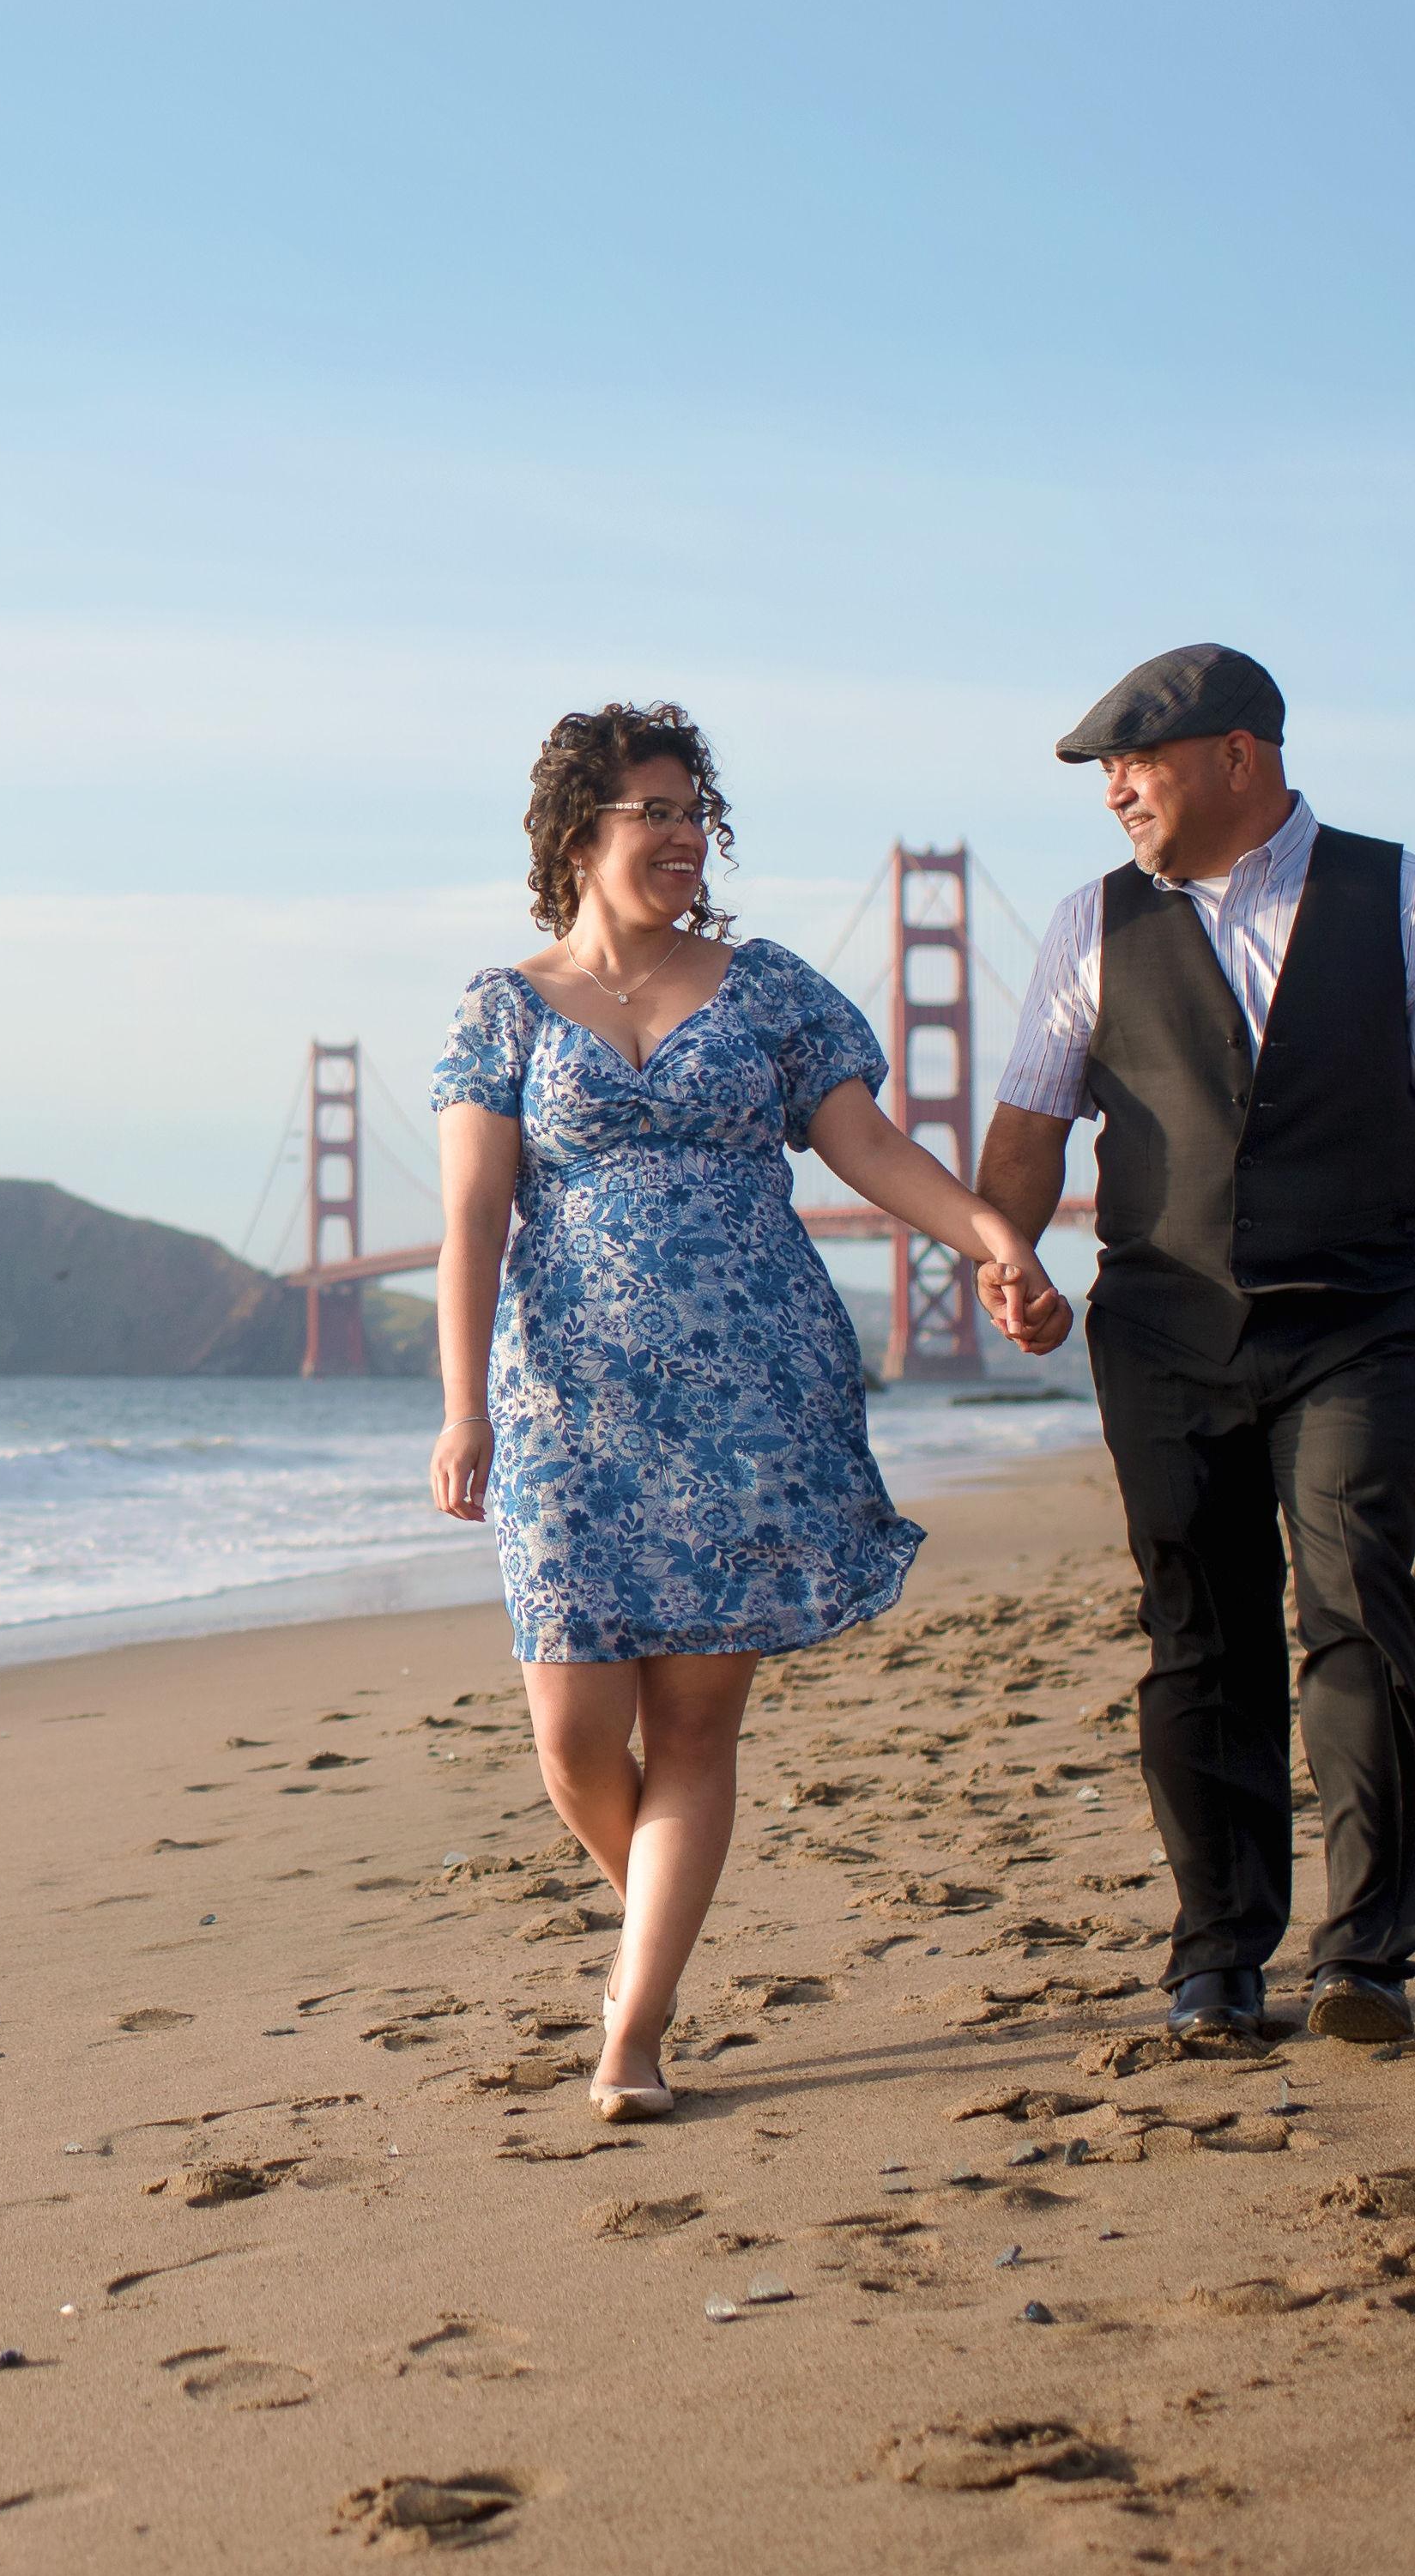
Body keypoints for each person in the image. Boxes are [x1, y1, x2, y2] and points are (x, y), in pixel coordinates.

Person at [430, 700, 1067, 2124]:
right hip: (567, 1407)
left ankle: (635, 2024)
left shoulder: (767, 988)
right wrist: (462, 1407)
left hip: (749, 1394)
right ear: (576, 835)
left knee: (693, 1728)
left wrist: (991, 1239)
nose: (682, 837)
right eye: (651, 812)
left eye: (692, 813)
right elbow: (471, 1219)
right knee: (571, 1735)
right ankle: (664, 1914)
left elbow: (868, 1149)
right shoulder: (501, 1009)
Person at [974, 642, 1415, 2054]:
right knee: (1198, 1634)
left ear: (1238, 756)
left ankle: (1367, 1956)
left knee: (1357, 1607)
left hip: (1357, 1324)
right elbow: (1030, 1124)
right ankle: (1218, 1956)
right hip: (1161, 1334)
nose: (1114, 791)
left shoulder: (1410, 898)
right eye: (1104, 769)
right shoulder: (1088, 922)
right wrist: (1006, 1256)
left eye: (1136, 761)